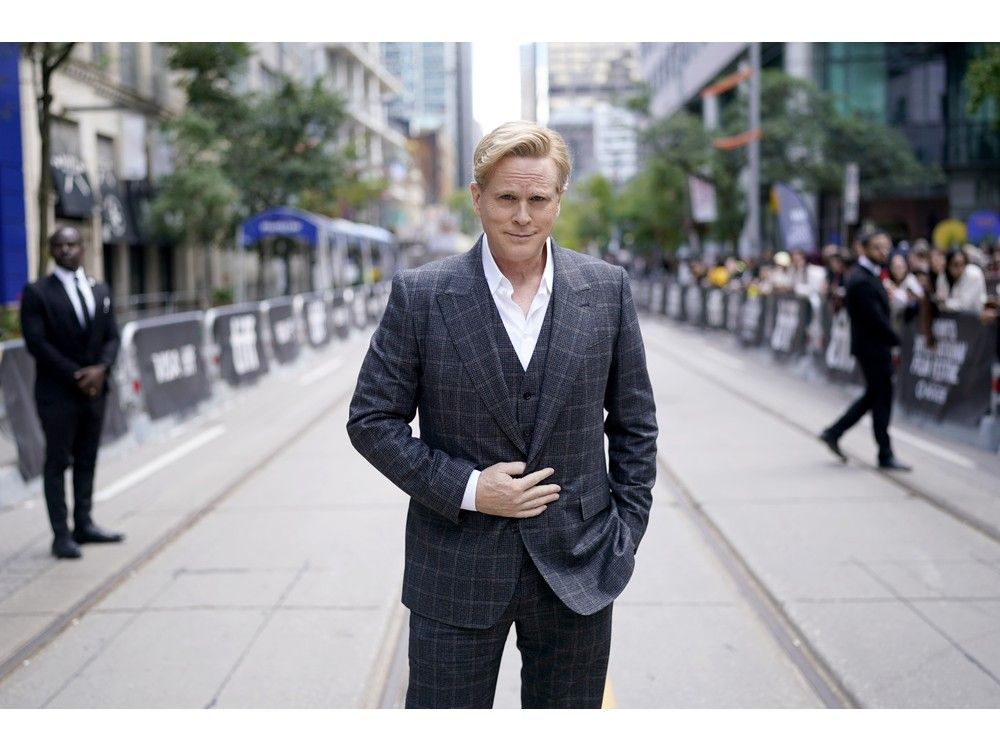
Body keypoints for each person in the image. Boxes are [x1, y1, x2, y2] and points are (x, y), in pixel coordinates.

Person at [347, 121, 657, 709]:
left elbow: (635, 425)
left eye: (538, 199)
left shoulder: (606, 289)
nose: (522, 215)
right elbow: (371, 421)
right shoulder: (422, 295)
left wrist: (625, 534)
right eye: (507, 198)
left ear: (559, 200)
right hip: (454, 572)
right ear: (477, 197)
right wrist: (468, 489)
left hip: (580, 567)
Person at [20, 227, 124, 559]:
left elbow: (112, 336)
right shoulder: (37, 293)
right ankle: (60, 534)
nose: (66, 250)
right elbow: (37, 343)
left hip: (95, 391)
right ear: (50, 251)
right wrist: (76, 374)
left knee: (87, 458)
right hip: (58, 393)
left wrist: (101, 369)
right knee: (57, 462)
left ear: (83, 248)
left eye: (73, 244)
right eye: (59, 245)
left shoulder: (100, 289)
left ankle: (84, 523)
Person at [819, 230, 910, 471]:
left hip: (874, 346)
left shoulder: (873, 275)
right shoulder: (861, 279)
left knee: (874, 395)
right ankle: (884, 452)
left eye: (886, 247)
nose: (884, 252)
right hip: (872, 348)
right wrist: (896, 339)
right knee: (881, 398)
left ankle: (835, 432)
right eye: (877, 247)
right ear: (864, 249)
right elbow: (874, 319)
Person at [935, 246, 988, 315]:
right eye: (955, 265)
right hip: (950, 319)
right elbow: (940, 300)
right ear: (948, 265)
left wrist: (945, 303)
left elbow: (965, 305)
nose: (959, 269)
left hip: (974, 319)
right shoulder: (943, 274)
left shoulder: (974, 274)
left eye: (962, 264)